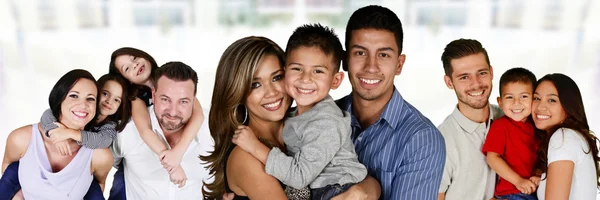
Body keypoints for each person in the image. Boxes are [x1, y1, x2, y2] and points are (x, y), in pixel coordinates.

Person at [202, 36, 381, 200]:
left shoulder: (308, 125)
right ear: (237, 93)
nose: (271, 92)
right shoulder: (246, 156)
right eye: (255, 85)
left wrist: (366, 189)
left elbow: (357, 178)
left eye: (276, 77)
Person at [337, 5, 446, 200]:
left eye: (383, 55)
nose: (371, 67)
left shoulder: (421, 140)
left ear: (399, 64)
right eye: (360, 53)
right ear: (345, 60)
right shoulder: (318, 115)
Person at [0, 73, 131, 199]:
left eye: (90, 98)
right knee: (14, 171)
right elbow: (49, 113)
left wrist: (70, 134)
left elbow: (103, 142)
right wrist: (55, 134)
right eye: (105, 94)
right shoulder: (23, 138)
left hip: (86, 165)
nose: (108, 101)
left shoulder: (107, 132)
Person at [110, 61, 213, 199]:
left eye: (183, 101)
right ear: (153, 95)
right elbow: (103, 163)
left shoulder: (213, 129)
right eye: (165, 99)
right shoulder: (127, 130)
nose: (173, 111)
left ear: (194, 100)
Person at [436, 38, 503, 200]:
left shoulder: (511, 119)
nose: (476, 84)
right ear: (449, 82)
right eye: (464, 77)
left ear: (491, 72)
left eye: (482, 73)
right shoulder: (440, 142)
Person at [531, 73, 599, 200]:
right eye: (536, 98)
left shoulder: (563, 137)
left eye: (552, 100)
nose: (540, 107)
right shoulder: (573, 137)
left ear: (568, 107)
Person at [481, 67, 540, 199]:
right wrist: (518, 181)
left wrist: (538, 174)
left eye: (524, 96)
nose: (516, 103)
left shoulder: (537, 126)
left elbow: (539, 157)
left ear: (534, 99)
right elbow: (492, 158)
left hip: (534, 191)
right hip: (511, 193)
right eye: (509, 97)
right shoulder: (500, 126)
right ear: (500, 102)